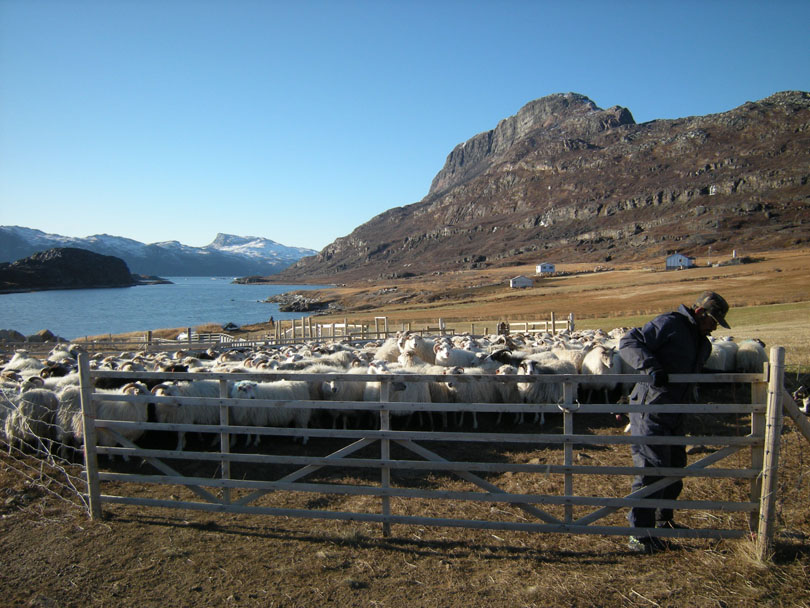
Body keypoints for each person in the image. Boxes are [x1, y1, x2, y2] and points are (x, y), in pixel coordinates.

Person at [618, 291, 731, 554]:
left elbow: (691, 371)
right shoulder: (670, 324)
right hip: (651, 409)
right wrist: (651, 367)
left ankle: (662, 521)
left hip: (676, 411)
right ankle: (639, 535)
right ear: (700, 313)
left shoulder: (702, 343)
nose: (715, 327)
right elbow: (629, 341)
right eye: (713, 320)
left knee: (675, 465)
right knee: (651, 468)